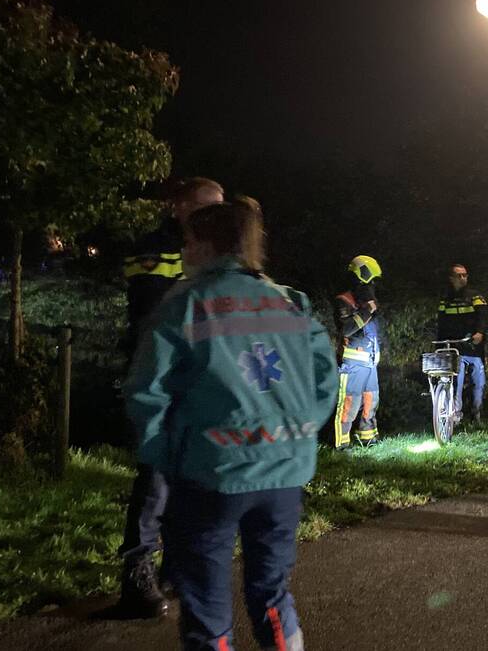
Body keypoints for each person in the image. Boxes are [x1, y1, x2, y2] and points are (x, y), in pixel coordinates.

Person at [125, 198, 337, 650]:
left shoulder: (185, 304)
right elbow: (325, 380)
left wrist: (167, 456)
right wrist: (298, 434)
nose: (183, 252)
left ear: (205, 246)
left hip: (210, 475)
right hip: (285, 472)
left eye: (188, 242)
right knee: (272, 592)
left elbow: (147, 392)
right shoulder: (291, 302)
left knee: (206, 605)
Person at [117, 177, 224, 618]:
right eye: (205, 207)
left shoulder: (214, 253)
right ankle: (137, 573)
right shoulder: (154, 249)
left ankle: (176, 568)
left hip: (202, 377)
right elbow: (153, 314)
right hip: (164, 376)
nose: (214, 216)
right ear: (178, 207)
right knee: (157, 474)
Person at [332, 255, 384, 450]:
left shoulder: (367, 302)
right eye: (371, 280)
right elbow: (345, 329)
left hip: (369, 363)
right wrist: (367, 312)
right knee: (349, 403)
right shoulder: (343, 300)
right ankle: (342, 443)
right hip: (352, 363)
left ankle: (368, 438)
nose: (373, 285)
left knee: (371, 400)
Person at [436, 264, 488, 423]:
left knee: (478, 383)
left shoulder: (475, 296)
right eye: (459, 275)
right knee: (455, 384)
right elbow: (441, 323)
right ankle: (455, 416)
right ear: (451, 278)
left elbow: (483, 316)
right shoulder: (445, 299)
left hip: (473, 347)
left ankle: (476, 414)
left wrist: (480, 333)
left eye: (465, 275)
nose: (463, 278)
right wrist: (439, 345)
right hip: (454, 348)